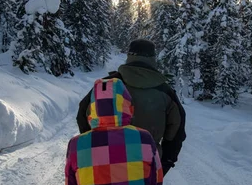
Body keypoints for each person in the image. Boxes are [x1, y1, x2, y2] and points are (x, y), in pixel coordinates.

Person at [77, 39, 186, 176]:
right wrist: (164, 164)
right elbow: (177, 131)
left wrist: (94, 147)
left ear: (129, 56)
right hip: (147, 166)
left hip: (105, 163)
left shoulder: (106, 85)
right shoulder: (165, 92)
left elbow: (83, 114)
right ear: (153, 58)